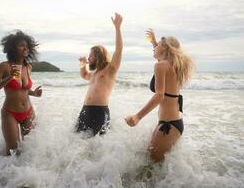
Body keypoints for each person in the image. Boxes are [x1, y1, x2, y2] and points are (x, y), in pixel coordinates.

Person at [125, 29, 193, 162]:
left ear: (165, 48)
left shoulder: (161, 66)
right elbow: (161, 55)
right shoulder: (174, 66)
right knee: (154, 166)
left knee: (152, 166)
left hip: (168, 125)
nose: (153, 49)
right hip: (172, 123)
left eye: (157, 46)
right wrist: (155, 42)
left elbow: (159, 96)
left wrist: (137, 117)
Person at [0, 30, 42, 155]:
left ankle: (24, 174)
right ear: (13, 48)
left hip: (28, 112)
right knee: (13, 152)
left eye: (27, 46)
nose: (25, 48)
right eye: (21, 45)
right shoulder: (4, 66)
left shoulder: (28, 67)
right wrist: (9, 78)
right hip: (10, 113)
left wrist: (34, 93)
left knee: (30, 149)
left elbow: (23, 90)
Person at [76, 13, 123, 136]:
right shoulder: (94, 74)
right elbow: (84, 75)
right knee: (79, 143)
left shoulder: (110, 69)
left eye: (91, 55)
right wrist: (82, 64)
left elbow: (118, 50)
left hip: (100, 112)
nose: (89, 57)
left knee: (98, 145)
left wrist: (117, 28)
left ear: (98, 55)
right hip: (85, 111)